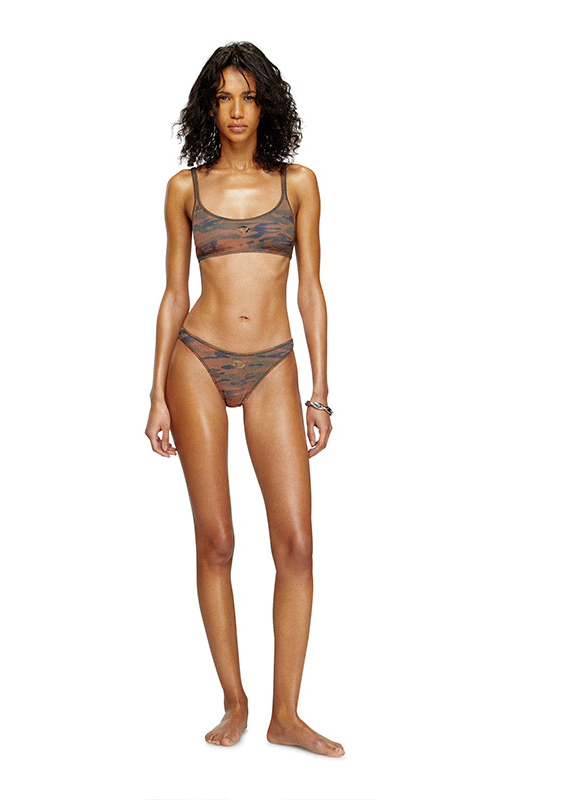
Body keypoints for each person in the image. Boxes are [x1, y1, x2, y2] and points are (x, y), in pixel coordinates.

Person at [145, 41, 343, 758]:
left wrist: (320, 391)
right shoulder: (184, 188)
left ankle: (286, 714)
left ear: (266, 106)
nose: (236, 110)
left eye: (249, 97)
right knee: (218, 541)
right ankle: (235, 699)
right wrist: (155, 395)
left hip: (273, 365)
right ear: (210, 107)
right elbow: (174, 293)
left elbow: (310, 289)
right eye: (224, 97)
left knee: (297, 545)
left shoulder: (299, 184)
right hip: (197, 360)